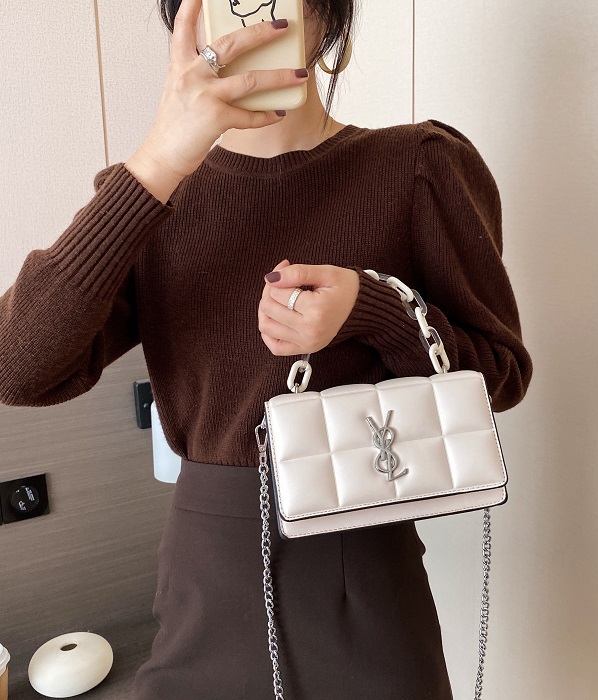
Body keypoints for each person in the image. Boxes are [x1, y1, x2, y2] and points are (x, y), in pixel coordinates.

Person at [0, 0, 534, 696]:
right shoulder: (154, 196)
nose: (249, 10)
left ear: (327, 18)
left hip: (364, 576)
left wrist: (371, 310)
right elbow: (16, 368)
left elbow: (500, 376)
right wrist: (160, 158)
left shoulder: (418, 168)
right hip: (206, 578)